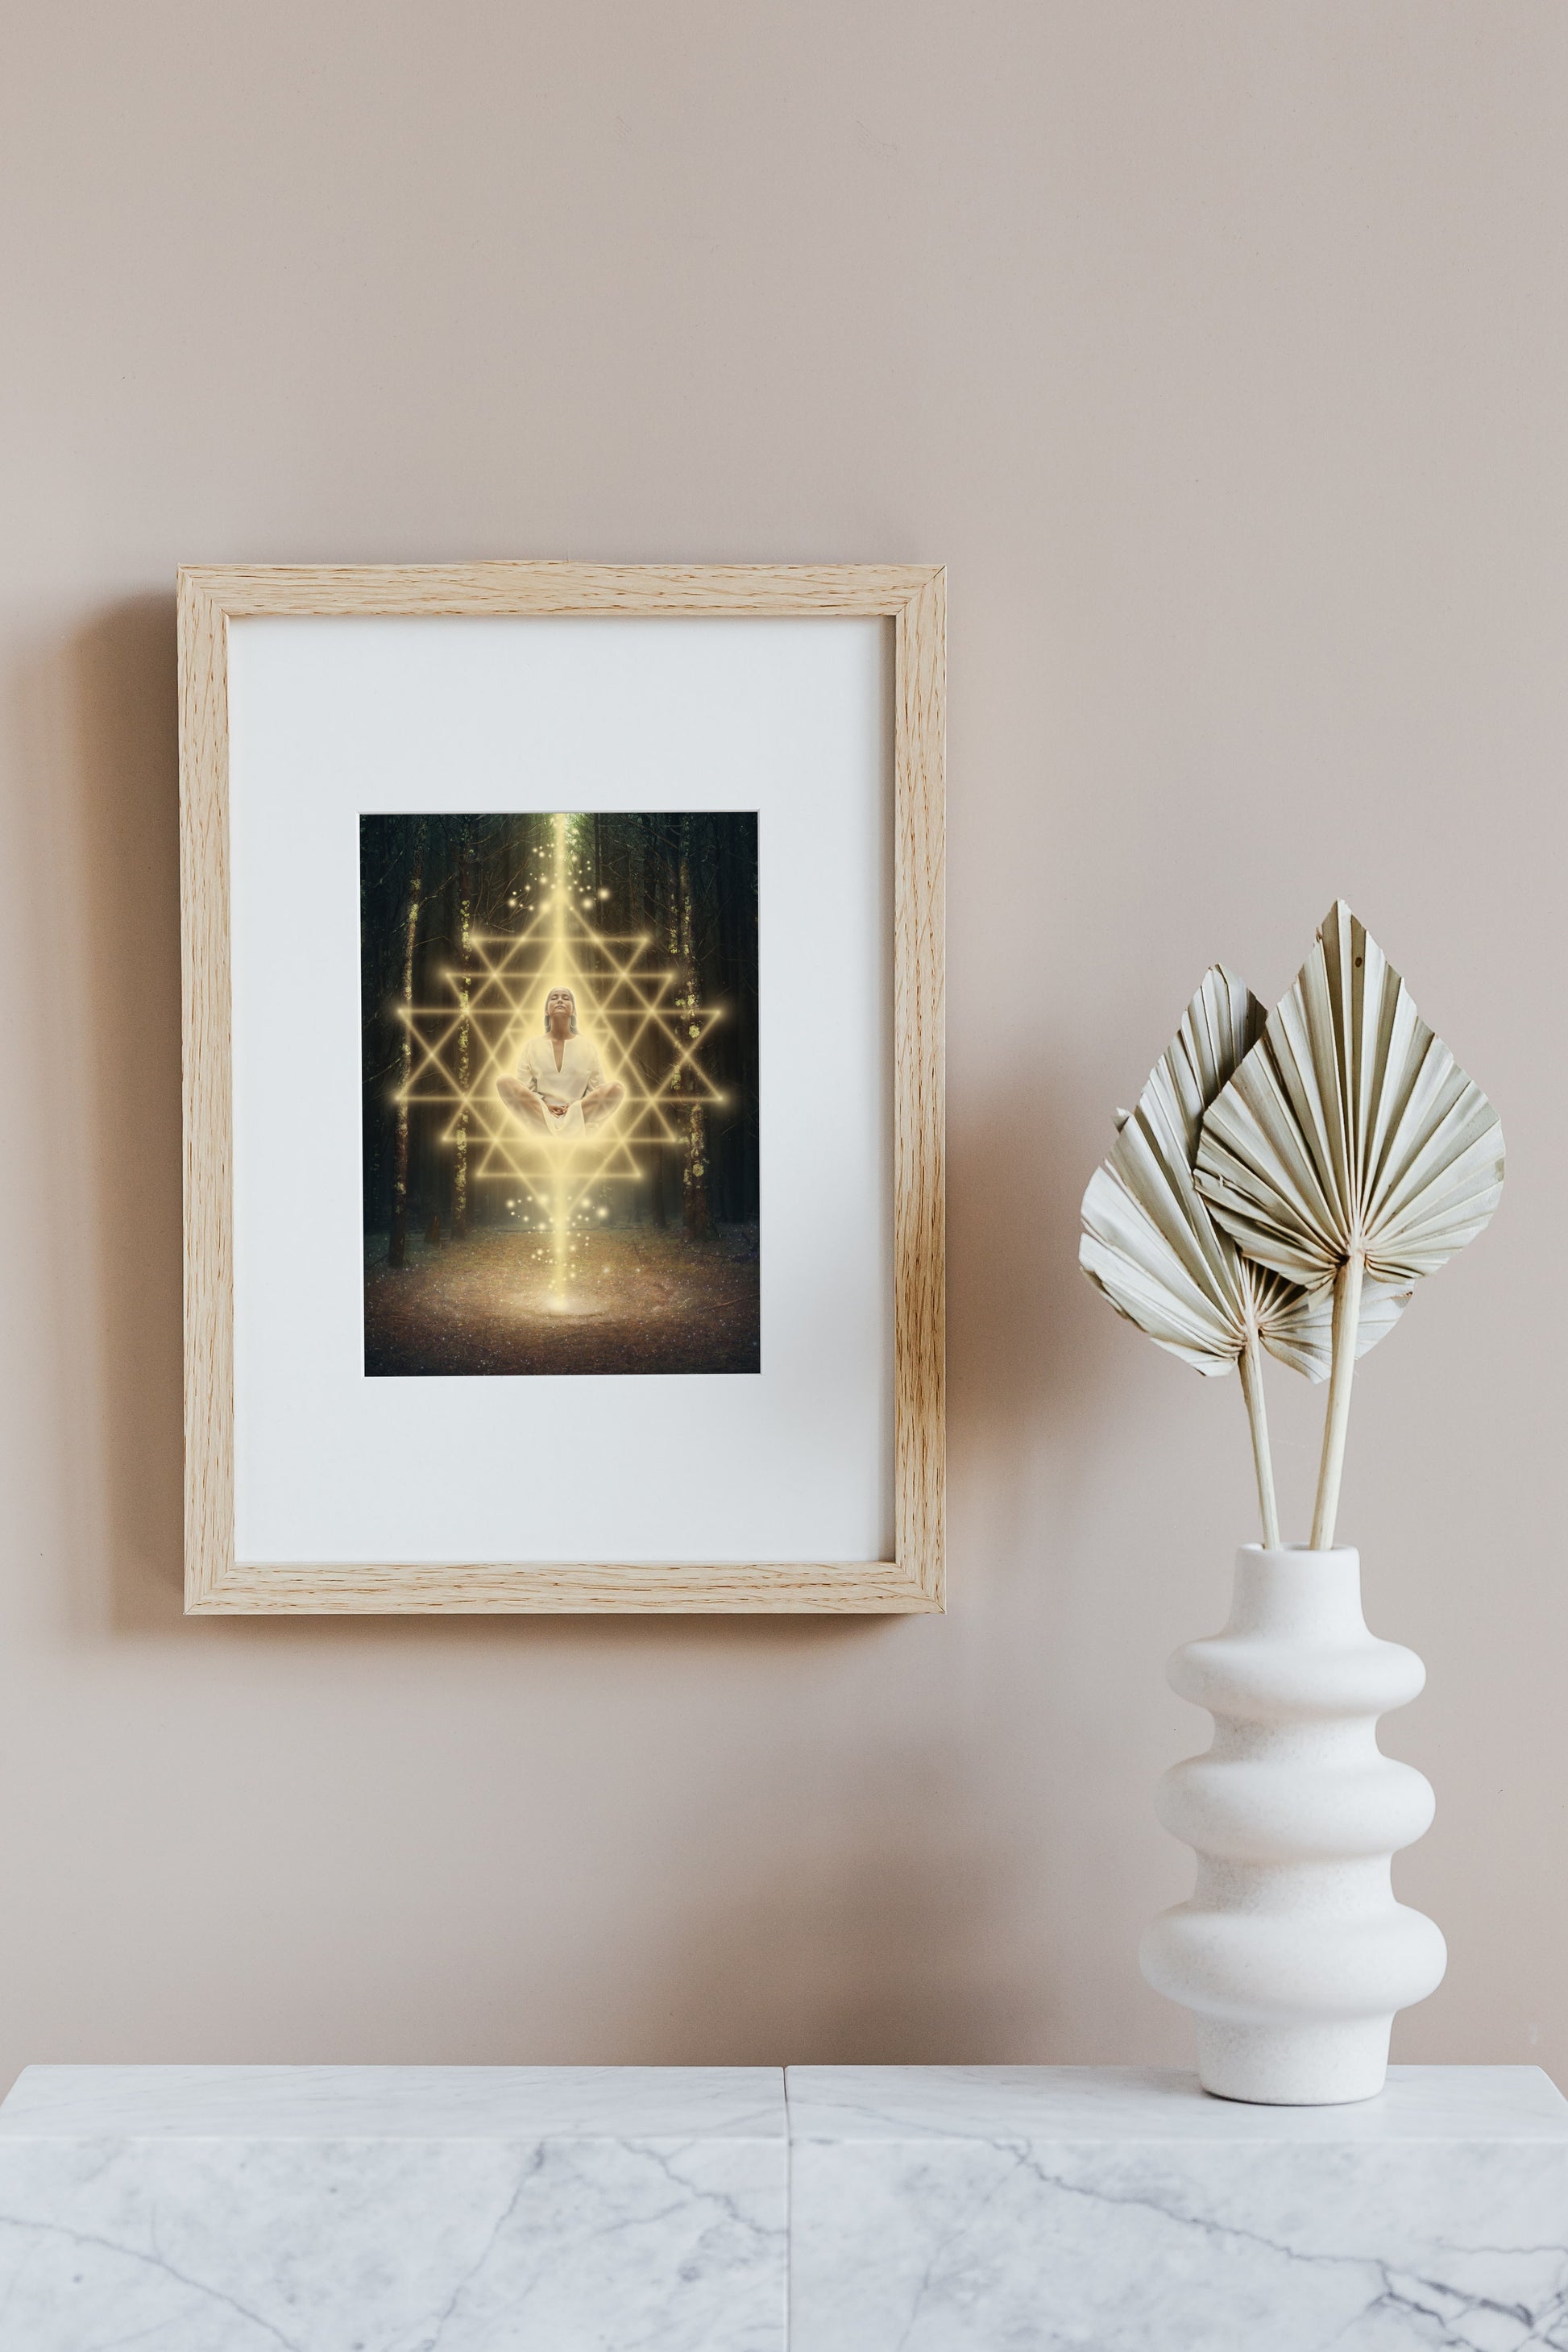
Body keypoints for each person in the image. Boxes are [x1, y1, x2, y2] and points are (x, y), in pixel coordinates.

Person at [497, 986, 624, 1140]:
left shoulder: (587, 1046)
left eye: (565, 998)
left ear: (574, 1011)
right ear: (546, 1011)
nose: (559, 1000)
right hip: (541, 1114)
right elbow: (526, 1089)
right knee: (504, 1081)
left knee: (617, 1088)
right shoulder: (532, 1045)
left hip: (578, 1111)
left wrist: (576, 1107)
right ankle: (564, 1133)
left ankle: (554, 1134)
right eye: (554, 997)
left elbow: (596, 1089)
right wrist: (545, 1107)